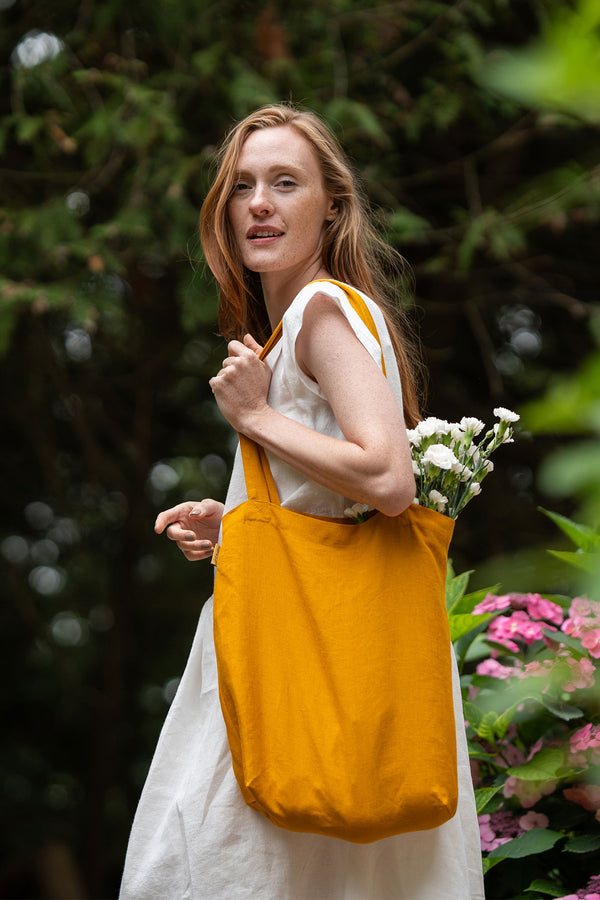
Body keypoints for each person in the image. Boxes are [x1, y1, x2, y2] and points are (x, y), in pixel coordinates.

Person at [120, 103, 485, 899]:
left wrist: (253, 417)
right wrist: (241, 518)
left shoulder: (324, 310)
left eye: (286, 182)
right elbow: (341, 486)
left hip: (295, 655)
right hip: (299, 642)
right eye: (243, 185)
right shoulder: (291, 327)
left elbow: (388, 479)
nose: (259, 202)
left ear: (333, 206)